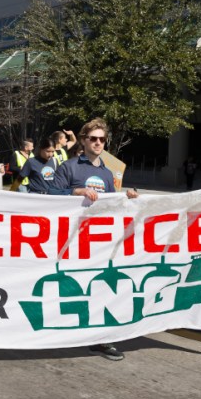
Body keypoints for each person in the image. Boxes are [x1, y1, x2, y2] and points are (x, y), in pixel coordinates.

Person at [53, 118, 138, 362]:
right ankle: (61, 329)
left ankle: (101, 338)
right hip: (71, 240)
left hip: (99, 242)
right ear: (83, 140)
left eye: (102, 139)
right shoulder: (69, 168)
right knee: (70, 286)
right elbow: (48, 196)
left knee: (100, 286)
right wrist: (75, 191)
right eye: (93, 138)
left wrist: (128, 198)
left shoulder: (107, 173)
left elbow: (112, 204)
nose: (98, 143)